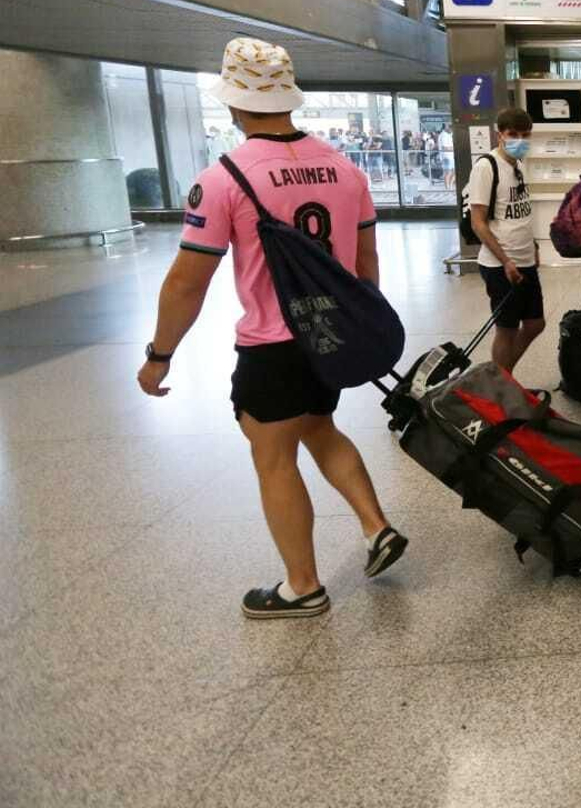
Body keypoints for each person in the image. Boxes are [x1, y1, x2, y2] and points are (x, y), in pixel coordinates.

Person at [135, 38, 407, 619]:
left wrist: (160, 354)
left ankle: (302, 586)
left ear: (233, 104)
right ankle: (376, 525)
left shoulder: (224, 178)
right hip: (328, 338)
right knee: (319, 426)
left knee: (273, 457)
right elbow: (365, 266)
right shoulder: (346, 168)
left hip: (273, 343)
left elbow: (187, 282)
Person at [466, 106, 546, 375]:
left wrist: (533, 244)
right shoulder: (486, 167)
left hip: (524, 259)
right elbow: (478, 221)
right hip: (500, 264)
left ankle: (500, 376)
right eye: (513, 134)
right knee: (507, 328)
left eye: (525, 134)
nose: (520, 140)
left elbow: (519, 211)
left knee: (536, 323)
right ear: (499, 134)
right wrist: (505, 261)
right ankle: (501, 385)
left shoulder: (518, 165)